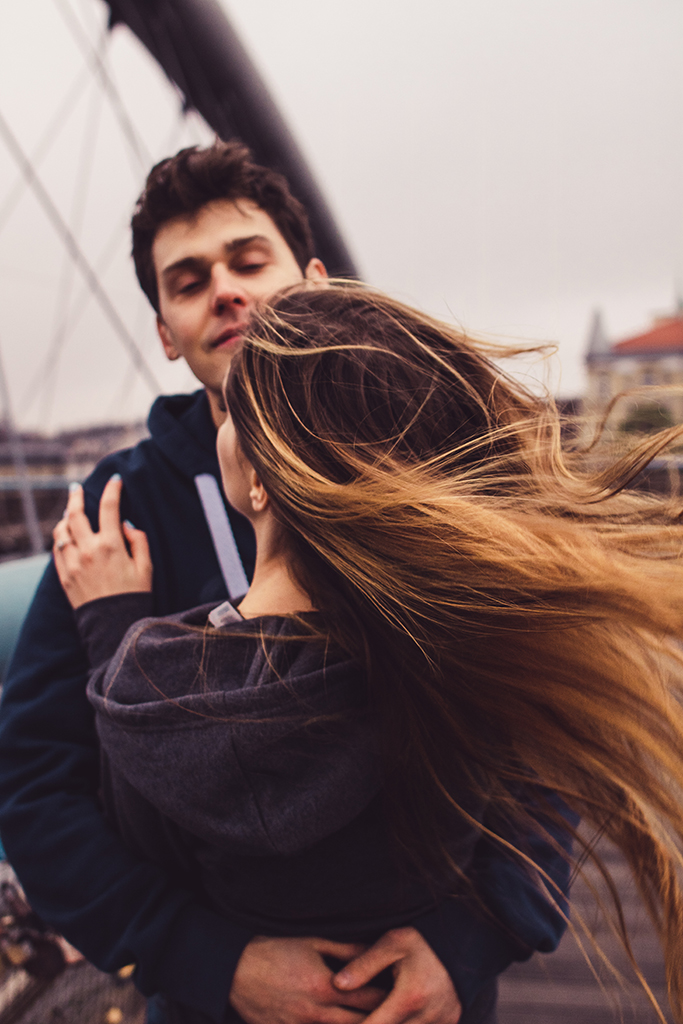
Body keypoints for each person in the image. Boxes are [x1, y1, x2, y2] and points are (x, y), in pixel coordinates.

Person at [0, 145, 569, 1024]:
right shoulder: (118, 510)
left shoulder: (416, 455)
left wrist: (471, 938)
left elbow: (539, 715)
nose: (225, 291)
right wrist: (203, 956)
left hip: (433, 991)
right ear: (164, 332)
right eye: (188, 281)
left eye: (247, 260)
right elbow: (35, 779)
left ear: (315, 282)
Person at [51, 282, 683, 1024]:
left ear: (261, 480)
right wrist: (465, 944)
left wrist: (111, 624)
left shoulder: (150, 683)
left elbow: (135, 834)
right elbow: (530, 792)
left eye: (233, 415)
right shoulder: (463, 654)